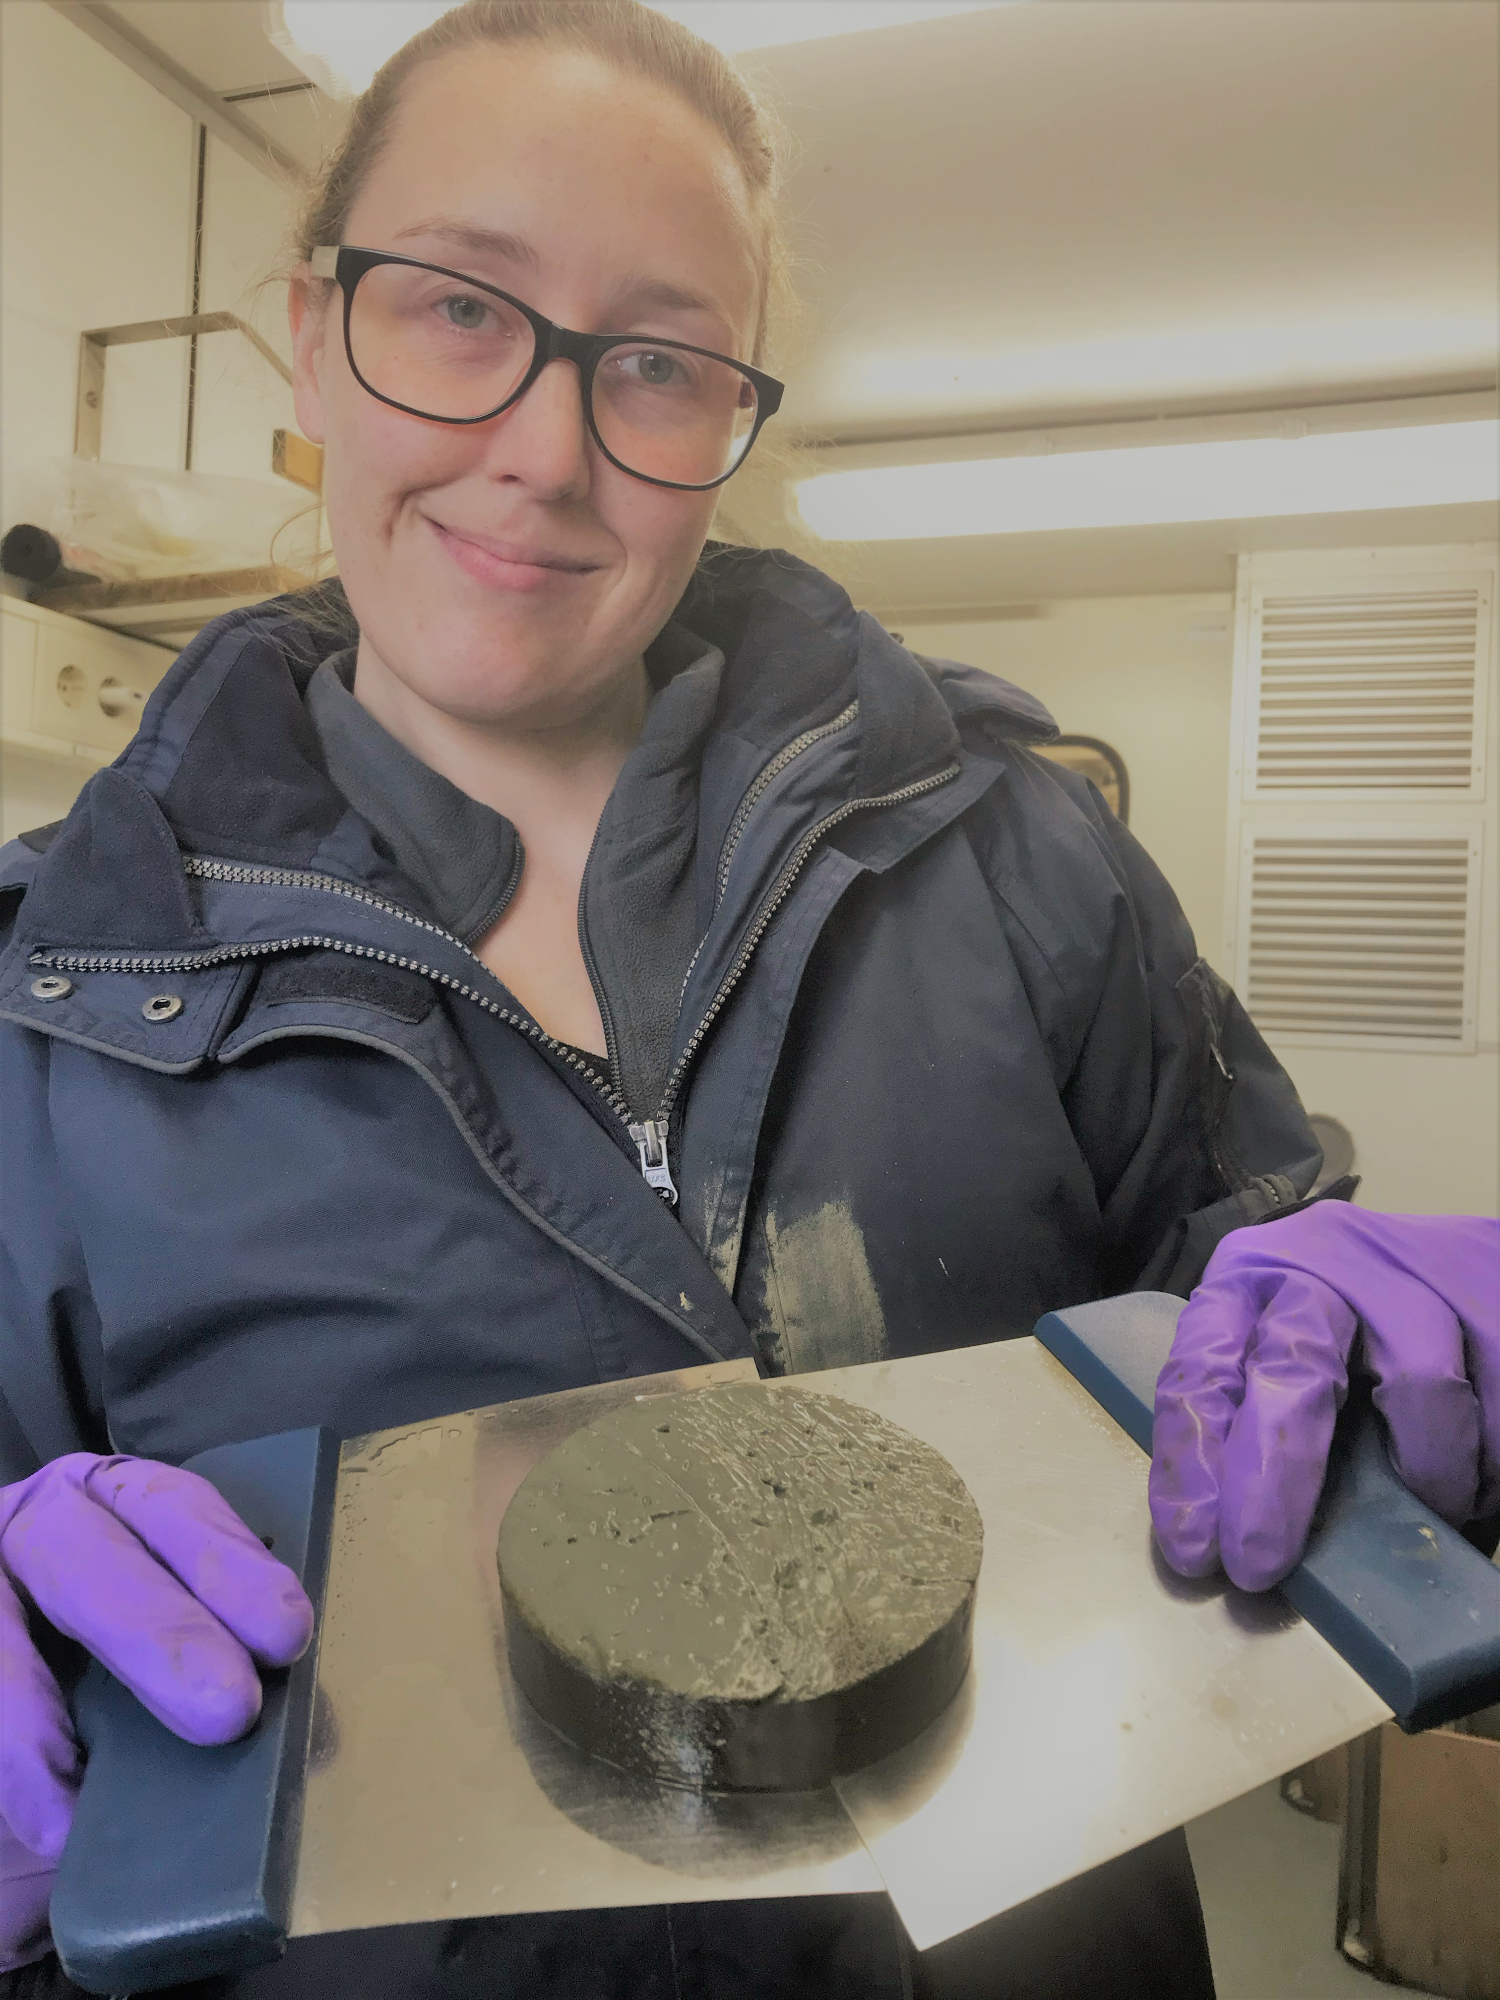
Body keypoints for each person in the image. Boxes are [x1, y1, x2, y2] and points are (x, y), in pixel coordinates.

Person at [1, 4, 1495, 1994]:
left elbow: (1306, 1376)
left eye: (656, 360)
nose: (546, 448)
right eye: (459, 307)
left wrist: (1440, 1379)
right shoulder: (47, 1006)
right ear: (312, 333)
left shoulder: (1019, 865)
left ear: (730, 419)